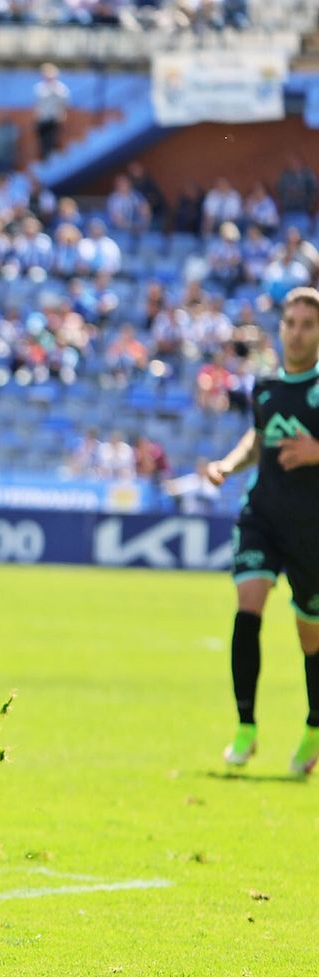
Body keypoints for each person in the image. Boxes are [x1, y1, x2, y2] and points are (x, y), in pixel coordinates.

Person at [206, 287, 319, 776]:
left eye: (307, 324)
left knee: (309, 637)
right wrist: (228, 464)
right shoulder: (267, 386)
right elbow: (258, 436)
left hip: (312, 531)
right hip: (263, 516)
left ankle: (314, 726)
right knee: (248, 602)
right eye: (290, 322)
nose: (296, 332)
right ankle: (246, 726)